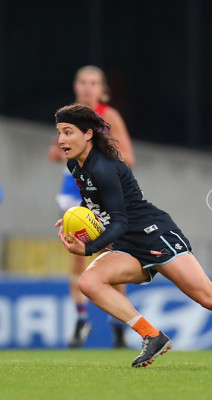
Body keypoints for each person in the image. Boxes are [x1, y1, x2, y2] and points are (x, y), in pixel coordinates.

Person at [54, 103, 212, 367]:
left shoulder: (104, 168)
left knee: (210, 298)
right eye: (59, 132)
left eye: (68, 132)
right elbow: (96, 204)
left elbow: (120, 221)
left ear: (88, 134)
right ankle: (152, 336)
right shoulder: (75, 165)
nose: (61, 140)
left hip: (155, 235)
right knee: (89, 282)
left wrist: (88, 248)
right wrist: (75, 217)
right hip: (128, 244)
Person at [48, 65, 135, 349]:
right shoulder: (68, 117)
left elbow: (128, 157)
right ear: (76, 87)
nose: (87, 87)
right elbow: (55, 152)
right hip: (73, 193)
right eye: (83, 82)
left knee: (113, 257)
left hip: (100, 194)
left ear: (102, 89)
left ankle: (118, 324)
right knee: (76, 258)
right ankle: (81, 320)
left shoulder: (107, 116)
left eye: (93, 83)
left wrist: (97, 160)